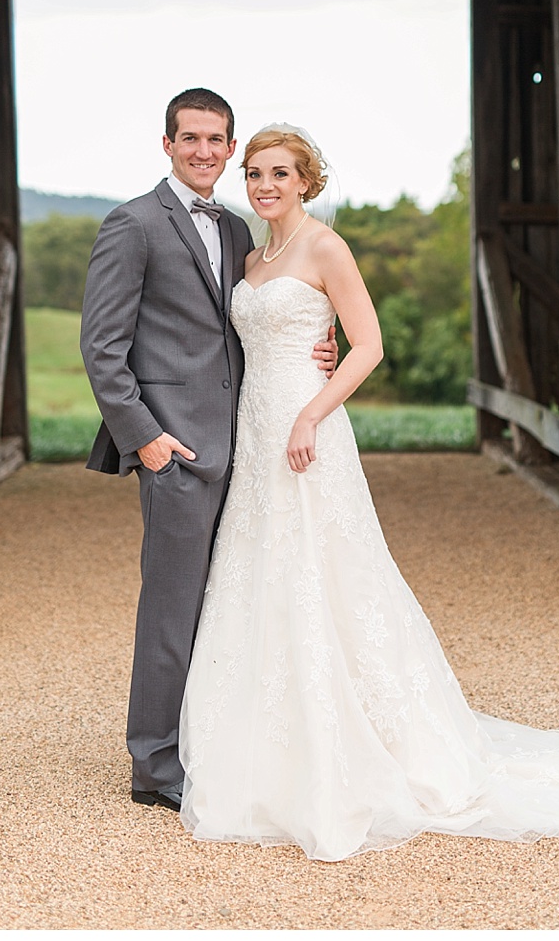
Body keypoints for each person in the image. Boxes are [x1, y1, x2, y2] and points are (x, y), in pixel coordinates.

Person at [178, 124, 559, 862]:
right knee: (263, 571)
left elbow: (366, 344)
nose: (264, 185)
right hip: (255, 428)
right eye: (255, 173)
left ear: (307, 181)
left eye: (279, 173)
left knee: (329, 569)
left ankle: (365, 741)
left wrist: (311, 410)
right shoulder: (251, 256)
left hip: (307, 430)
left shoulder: (324, 247)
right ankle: (269, 740)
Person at [79, 89, 335, 814]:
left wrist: (321, 340)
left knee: (233, 600)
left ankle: (213, 739)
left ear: (228, 149)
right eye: (188, 137)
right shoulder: (131, 224)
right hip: (177, 449)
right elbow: (102, 351)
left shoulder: (233, 230)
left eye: (215, 140)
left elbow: (255, 319)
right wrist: (146, 441)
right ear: (166, 143)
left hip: (247, 445)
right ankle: (155, 765)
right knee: (171, 604)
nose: (202, 151)